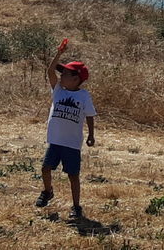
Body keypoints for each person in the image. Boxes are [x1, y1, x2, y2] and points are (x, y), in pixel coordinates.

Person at [36, 42, 96, 219]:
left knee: (73, 176)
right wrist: (58, 54)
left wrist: (91, 135)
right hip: (55, 141)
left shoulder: (83, 96)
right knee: (45, 168)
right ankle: (47, 191)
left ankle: (76, 207)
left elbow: (90, 115)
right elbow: (49, 72)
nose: (61, 76)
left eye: (66, 74)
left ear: (76, 79)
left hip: (71, 144)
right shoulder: (58, 91)